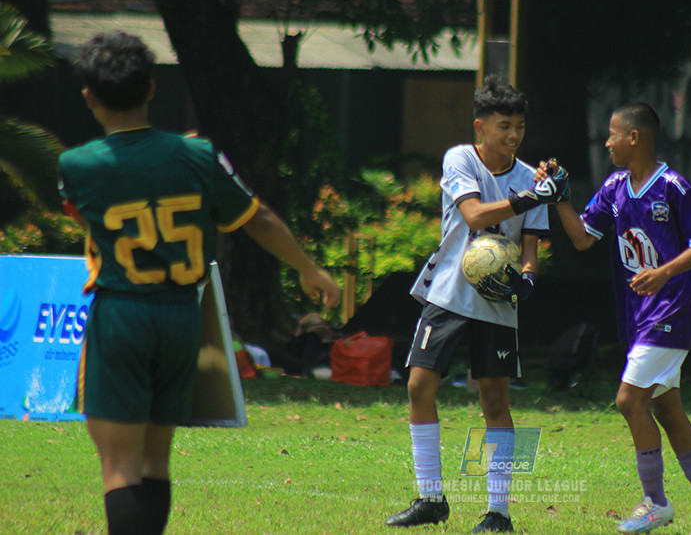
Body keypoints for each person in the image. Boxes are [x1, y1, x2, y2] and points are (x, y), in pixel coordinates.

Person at [58, 31, 342, 535]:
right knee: (155, 461)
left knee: (118, 467)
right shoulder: (198, 155)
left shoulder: (76, 167)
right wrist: (307, 267)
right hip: (181, 315)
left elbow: (81, 215)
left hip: (122, 310)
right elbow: (256, 218)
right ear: (151, 87)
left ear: (88, 98)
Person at [384, 76, 566, 533]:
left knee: (495, 401)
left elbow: (530, 245)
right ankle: (430, 498)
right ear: (480, 127)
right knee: (419, 385)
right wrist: (529, 196)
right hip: (447, 292)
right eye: (504, 125)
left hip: (497, 303)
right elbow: (474, 215)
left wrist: (527, 279)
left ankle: (499, 512)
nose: (513, 135)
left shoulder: (531, 178)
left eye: (520, 126)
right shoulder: (460, 158)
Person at [548, 102, 691, 535]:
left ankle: (655, 503)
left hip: (669, 313)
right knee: (668, 411)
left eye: (613, 134)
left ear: (634, 137)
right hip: (636, 318)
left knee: (628, 401)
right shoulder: (615, 187)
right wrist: (559, 199)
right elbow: (581, 238)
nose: (607, 141)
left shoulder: (673, 186)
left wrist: (664, 272)